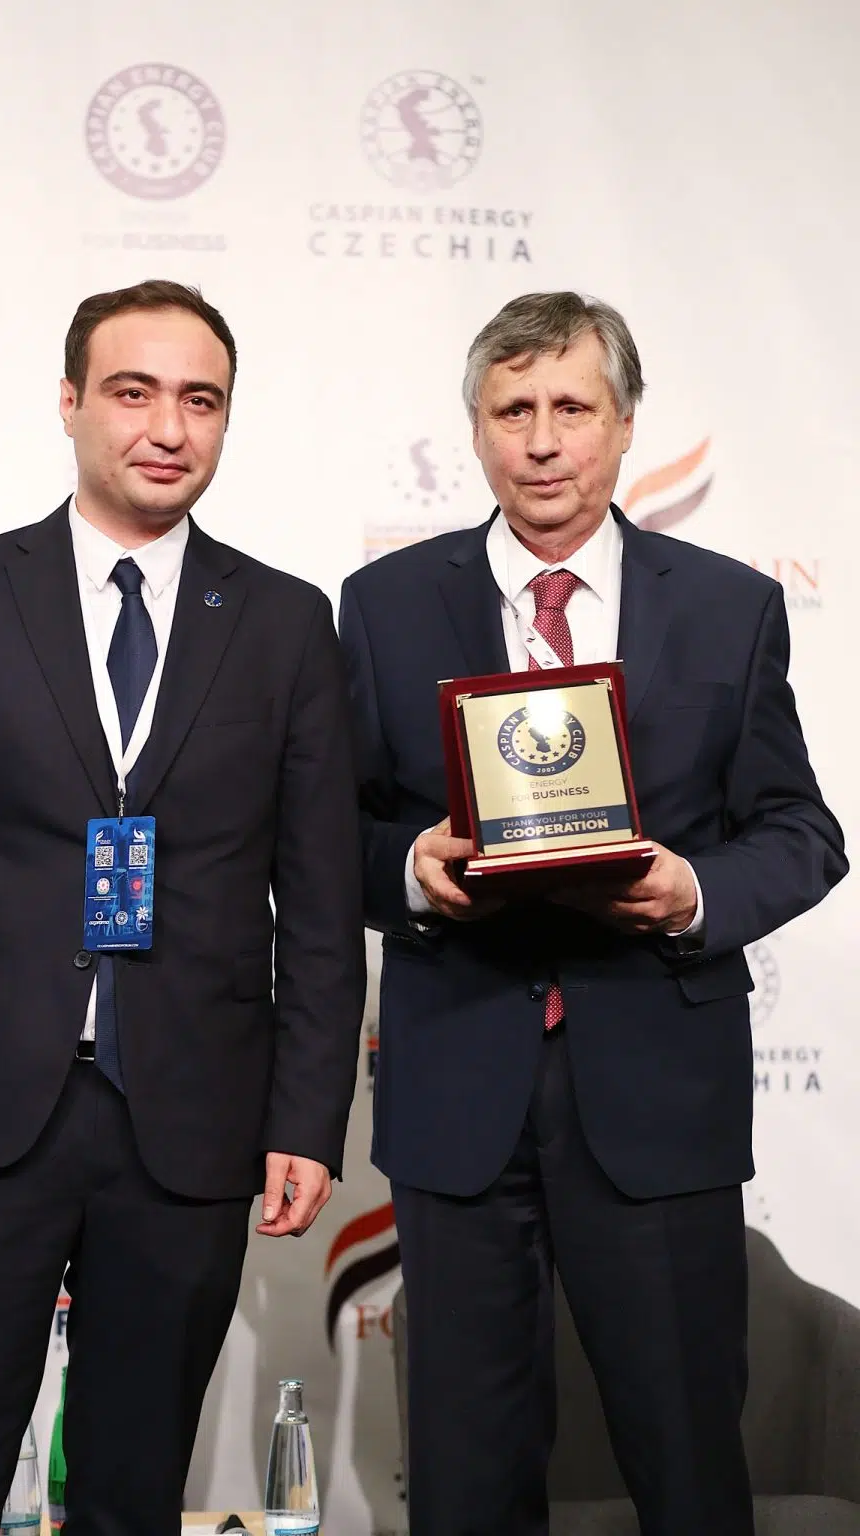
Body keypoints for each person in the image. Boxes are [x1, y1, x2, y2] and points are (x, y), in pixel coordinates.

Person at [0, 278, 365, 1534]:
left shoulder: (285, 623)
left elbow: (321, 902)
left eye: (201, 400)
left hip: (189, 1122)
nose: (168, 428)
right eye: (134, 392)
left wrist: (304, 1120)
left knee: (134, 1490)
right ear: (70, 403)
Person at [338, 291, 847, 1536]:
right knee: (464, 1476)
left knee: (686, 1464)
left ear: (624, 425)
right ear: (474, 429)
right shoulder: (383, 603)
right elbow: (323, 836)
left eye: (572, 407)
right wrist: (408, 868)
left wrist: (692, 893)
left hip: (657, 1088)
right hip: (459, 1086)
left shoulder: (727, 607)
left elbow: (802, 833)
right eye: (512, 409)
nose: (542, 440)